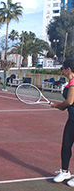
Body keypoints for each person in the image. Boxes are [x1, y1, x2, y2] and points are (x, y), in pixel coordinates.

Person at [52, 59, 74, 187]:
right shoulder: (69, 83)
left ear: (68, 69)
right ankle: (65, 171)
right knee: (66, 145)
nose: (62, 70)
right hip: (72, 119)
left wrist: (57, 106)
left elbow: (70, 101)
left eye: (62, 68)